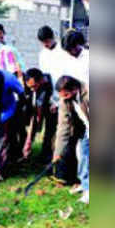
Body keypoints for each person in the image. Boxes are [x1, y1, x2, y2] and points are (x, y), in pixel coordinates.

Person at [0, 33, 29, 160]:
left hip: (10, 95)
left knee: (14, 129)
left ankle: (18, 155)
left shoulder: (6, 51)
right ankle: (9, 156)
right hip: (0, 97)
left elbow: (13, 72)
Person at [53, 76, 89, 204]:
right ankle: (86, 186)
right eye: (62, 96)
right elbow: (63, 127)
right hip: (86, 128)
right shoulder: (65, 100)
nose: (64, 98)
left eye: (67, 95)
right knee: (83, 157)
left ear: (75, 89)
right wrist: (58, 152)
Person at [23, 68, 58, 162]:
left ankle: (47, 154)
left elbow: (40, 107)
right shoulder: (27, 84)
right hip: (34, 104)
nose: (32, 89)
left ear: (41, 80)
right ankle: (26, 150)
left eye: (34, 86)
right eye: (30, 87)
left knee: (50, 130)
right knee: (30, 128)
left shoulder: (52, 82)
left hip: (51, 105)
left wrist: (55, 104)